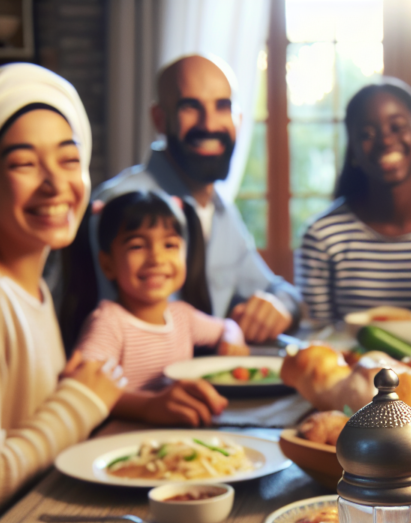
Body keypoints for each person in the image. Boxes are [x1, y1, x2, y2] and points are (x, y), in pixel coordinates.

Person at [0, 63, 123, 523]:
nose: (56, 184)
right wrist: (78, 402)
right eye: (23, 163)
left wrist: (77, 391)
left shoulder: (32, 284)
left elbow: (27, 420)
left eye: (68, 159)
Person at [90, 54, 301, 343]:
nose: (210, 124)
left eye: (222, 106)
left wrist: (281, 307)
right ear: (159, 120)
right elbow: (108, 332)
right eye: (191, 107)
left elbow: (277, 289)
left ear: (238, 119)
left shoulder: (221, 212)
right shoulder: (117, 205)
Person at [295, 78, 411, 323]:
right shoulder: (322, 236)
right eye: (367, 134)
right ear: (353, 151)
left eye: (397, 127)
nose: (385, 140)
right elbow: (319, 338)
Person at [74, 190, 249, 426]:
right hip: (123, 440)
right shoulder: (109, 322)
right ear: (108, 264)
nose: (156, 258)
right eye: (137, 246)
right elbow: (84, 387)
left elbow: (227, 326)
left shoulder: (182, 316)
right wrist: (150, 406)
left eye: (169, 245)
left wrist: (233, 339)